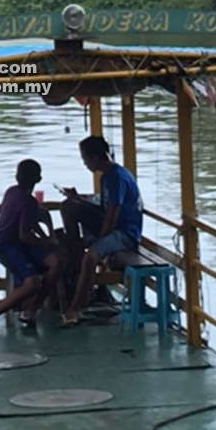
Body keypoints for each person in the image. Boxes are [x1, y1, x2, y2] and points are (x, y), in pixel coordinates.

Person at [59, 135, 143, 326]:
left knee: (91, 257)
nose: (84, 163)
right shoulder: (107, 177)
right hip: (113, 226)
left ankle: (74, 308)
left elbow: (112, 215)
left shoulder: (117, 178)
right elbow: (104, 207)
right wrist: (78, 198)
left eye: (85, 159)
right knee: (68, 205)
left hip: (125, 234)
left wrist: (98, 243)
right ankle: (76, 258)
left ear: (95, 158)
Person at [0, 159, 66, 333]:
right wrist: (50, 243)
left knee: (58, 260)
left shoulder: (11, 192)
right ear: (38, 179)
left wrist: (46, 239)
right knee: (32, 283)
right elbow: (24, 235)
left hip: (20, 245)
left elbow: (29, 222)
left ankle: (32, 310)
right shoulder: (27, 201)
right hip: (6, 246)